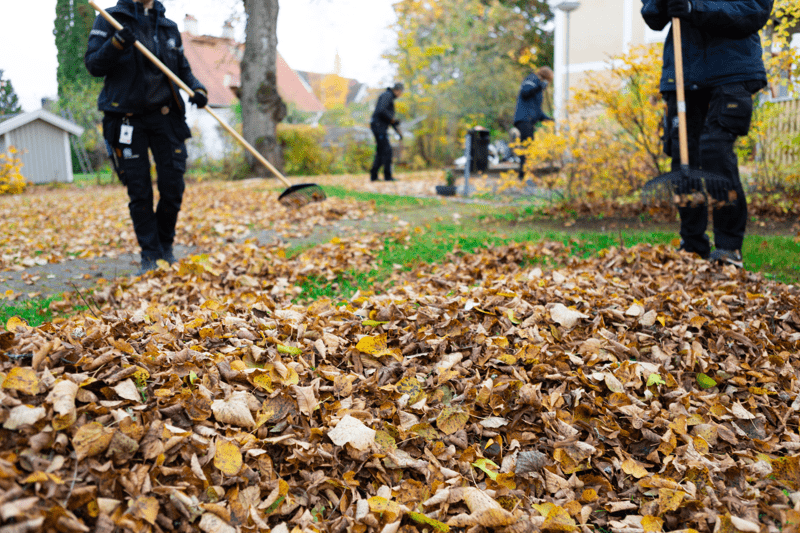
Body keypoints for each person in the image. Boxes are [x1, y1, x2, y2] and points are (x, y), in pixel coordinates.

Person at [642, 0, 772, 267]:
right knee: (683, 158)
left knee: (714, 151)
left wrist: (694, 7)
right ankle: (692, 244)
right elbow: (653, 16)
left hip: (731, 71)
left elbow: (754, 10)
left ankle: (728, 248)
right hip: (683, 73)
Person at [85, 0, 208, 273]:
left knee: (173, 186)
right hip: (126, 119)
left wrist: (197, 89)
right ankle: (150, 255)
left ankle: (165, 246)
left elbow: (182, 69)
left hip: (165, 117)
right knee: (139, 190)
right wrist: (116, 43)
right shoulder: (110, 19)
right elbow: (93, 65)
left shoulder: (167, 27)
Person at [513, 66, 554, 180]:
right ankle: (523, 176)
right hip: (524, 119)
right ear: (545, 77)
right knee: (527, 147)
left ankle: (525, 174)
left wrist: (549, 119)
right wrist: (539, 87)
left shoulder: (538, 87)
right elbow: (525, 92)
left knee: (530, 147)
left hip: (529, 120)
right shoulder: (532, 79)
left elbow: (537, 111)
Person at [370, 82, 404, 182]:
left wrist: (397, 130)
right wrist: (393, 120)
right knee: (387, 150)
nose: (400, 94)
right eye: (401, 92)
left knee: (381, 151)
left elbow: (389, 118)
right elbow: (381, 111)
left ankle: (374, 176)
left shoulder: (388, 97)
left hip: (379, 126)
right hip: (378, 127)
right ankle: (387, 176)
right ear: (397, 90)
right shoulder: (387, 95)